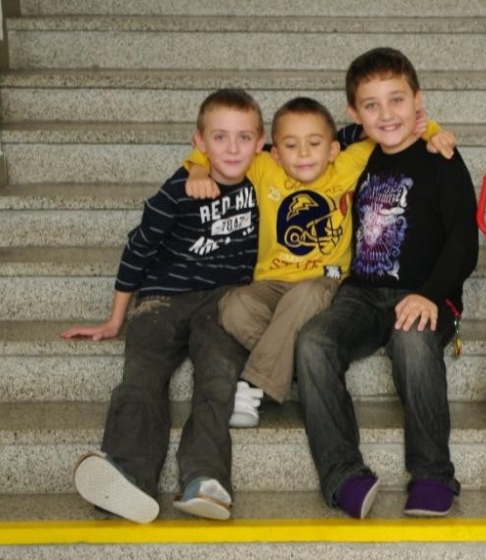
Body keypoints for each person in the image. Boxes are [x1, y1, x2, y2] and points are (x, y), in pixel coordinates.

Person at [182, 97, 454, 426]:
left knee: (306, 295)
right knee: (233, 306)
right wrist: (198, 169)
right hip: (271, 283)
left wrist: (434, 132)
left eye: (314, 144)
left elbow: (395, 131)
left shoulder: (346, 166)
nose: (303, 154)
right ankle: (297, 362)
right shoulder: (264, 167)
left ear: (333, 149)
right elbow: (221, 152)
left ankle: (254, 384)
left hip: (325, 282)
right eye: (291, 146)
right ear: (274, 153)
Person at [62, 88, 265, 523]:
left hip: (224, 302)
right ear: (199, 142)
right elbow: (138, 249)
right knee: (142, 374)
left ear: (261, 142)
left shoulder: (267, 179)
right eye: (220, 137)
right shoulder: (179, 189)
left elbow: (324, 139)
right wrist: (115, 318)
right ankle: (128, 475)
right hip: (162, 297)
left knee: (217, 379)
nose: (233, 148)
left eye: (244, 137)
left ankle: (205, 480)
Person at [294, 47, 478, 519]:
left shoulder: (442, 159)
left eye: (397, 100)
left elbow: (464, 244)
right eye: (371, 105)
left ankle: (433, 474)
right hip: (362, 293)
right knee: (313, 341)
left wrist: (430, 294)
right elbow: (296, 148)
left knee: (412, 340)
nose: (387, 114)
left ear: (418, 100)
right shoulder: (357, 156)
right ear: (354, 114)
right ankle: (343, 474)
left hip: (428, 293)